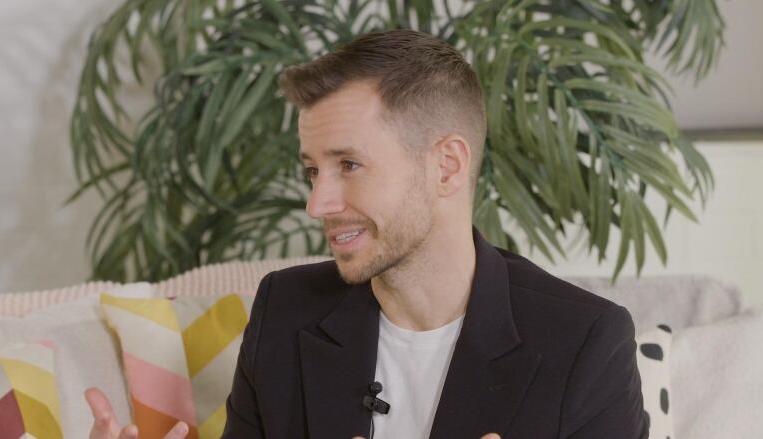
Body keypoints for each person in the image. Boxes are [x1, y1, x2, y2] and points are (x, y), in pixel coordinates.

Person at [86, 29, 648, 439]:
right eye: (312, 171)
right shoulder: (285, 310)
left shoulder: (585, 343)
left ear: (447, 167)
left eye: (349, 165)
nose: (316, 203)